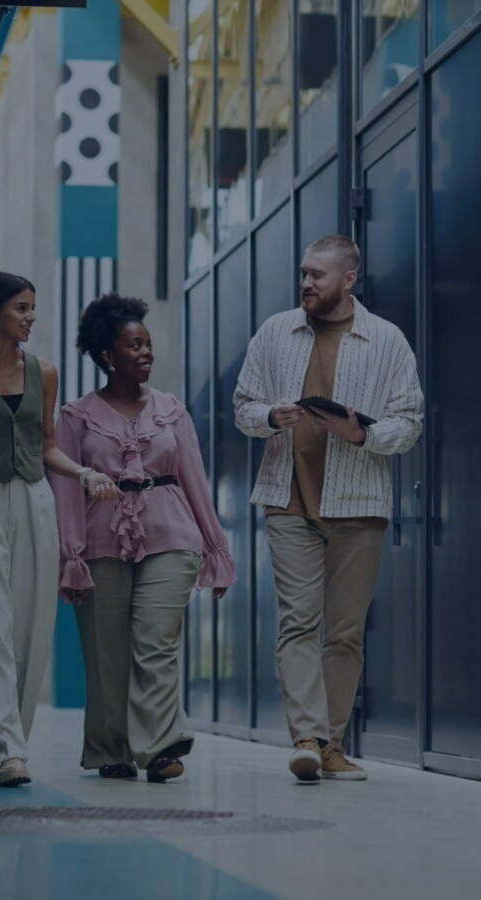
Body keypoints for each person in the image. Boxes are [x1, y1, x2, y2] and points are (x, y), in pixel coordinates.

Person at [233, 235, 423, 782]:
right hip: (286, 499)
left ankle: (332, 745)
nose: (305, 284)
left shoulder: (387, 341)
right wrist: (272, 415)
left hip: (358, 504)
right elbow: (243, 406)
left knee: (344, 633)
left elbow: (409, 423)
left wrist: (359, 432)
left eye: (317, 275)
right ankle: (309, 740)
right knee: (297, 623)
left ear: (348, 279)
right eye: (302, 273)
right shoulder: (275, 331)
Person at [49, 293, 235, 783]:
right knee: (105, 651)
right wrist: (72, 557)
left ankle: (157, 748)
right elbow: (65, 491)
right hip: (100, 542)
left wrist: (216, 550)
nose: (147, 353)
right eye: (136, 345)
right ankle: (111, 748)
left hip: (172, 535)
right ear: (108, 354)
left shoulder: (171, 411)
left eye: (149, 344)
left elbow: (194, 478)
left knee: (156, 641)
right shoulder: (75, 416)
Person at [0, 272, 120, 789]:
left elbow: (46, 446)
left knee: (30, 624)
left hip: (35, 500)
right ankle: (7, 751)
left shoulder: (44, 373)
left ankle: (0, 742)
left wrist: (84, 472)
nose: (31, 317)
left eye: (34, 307)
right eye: (22, 307)